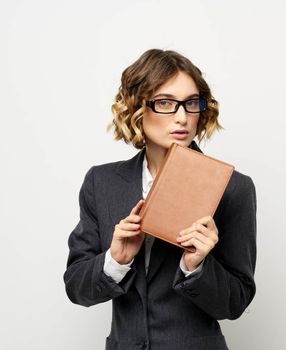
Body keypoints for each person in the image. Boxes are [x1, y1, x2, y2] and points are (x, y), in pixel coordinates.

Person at [63, 49, 257, 350]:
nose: (182, 117)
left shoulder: (233, 188)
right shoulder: (100, 183)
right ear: (137, 108)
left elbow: (235, 303)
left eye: (191, 103)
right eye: (165, 103)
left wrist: (196, 266)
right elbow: (77, 288)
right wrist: (116, 260)